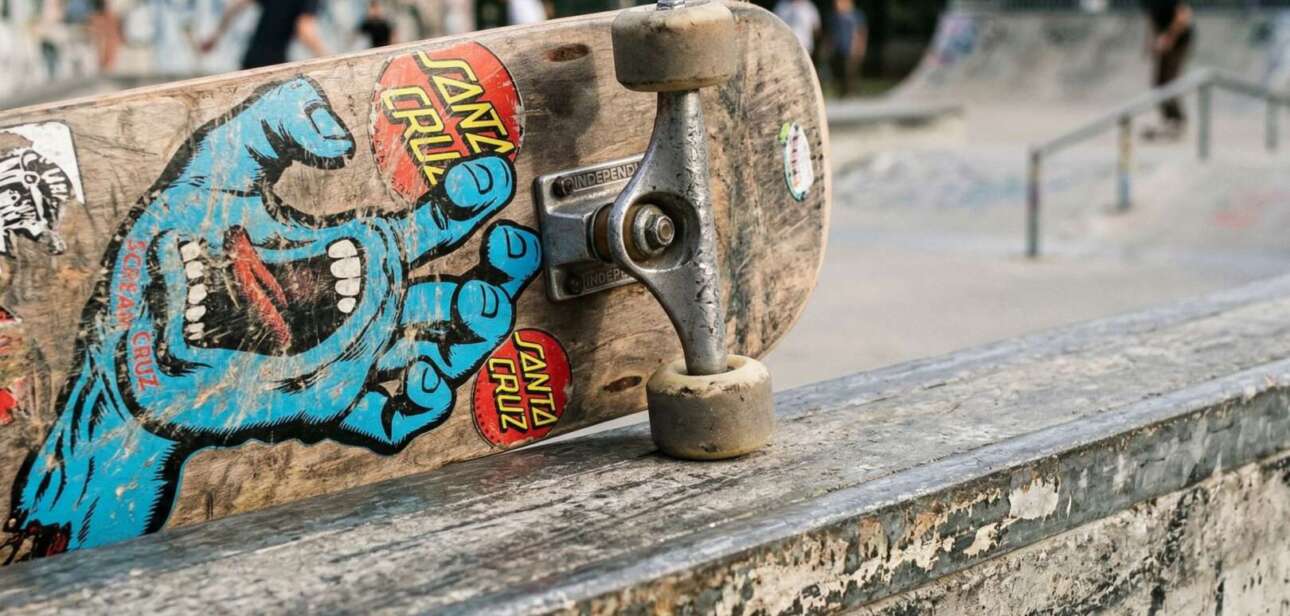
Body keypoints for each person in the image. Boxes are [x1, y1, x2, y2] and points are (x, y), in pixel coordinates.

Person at [200, 0, 328, 70]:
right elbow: (304, 30)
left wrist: (215, 37)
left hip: (251, 60)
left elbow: (236, 5)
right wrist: (328, 60)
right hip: (273, 65)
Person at [1142, 0, 1193, 140]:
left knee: (1170, 80)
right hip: (1164, 38)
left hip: (1180, 37)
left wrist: (1170, 37)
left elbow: (1183, 16)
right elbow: (1152, 21)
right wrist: (1150, 43)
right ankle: (1168, 119)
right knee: (1158, 82)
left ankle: (1177, 120)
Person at [828, 0, 866, 97]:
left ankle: (852, 92)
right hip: (838, 49)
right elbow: (831, 34)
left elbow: (861, 32)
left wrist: (860, 47)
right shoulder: (835, 17)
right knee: (838, 72)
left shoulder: (855, 16)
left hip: (851, 48)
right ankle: (842, 93)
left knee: (850, 72)